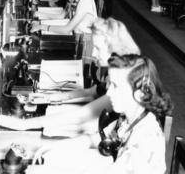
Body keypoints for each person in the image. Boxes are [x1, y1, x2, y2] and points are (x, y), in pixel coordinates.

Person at [30, 54, 172, 174]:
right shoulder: (128, 118)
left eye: (116, 86)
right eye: (110, 85)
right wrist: (56, 146)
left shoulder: (145, 141)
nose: (109, 93)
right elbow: (98, 139)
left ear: (141, 93)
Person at [0, 17, 140, 134]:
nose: (93, 54)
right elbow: (90, 92)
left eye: (97, 48)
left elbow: (81, 115)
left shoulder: (122, 79)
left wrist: (24, 125)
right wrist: (47, 98)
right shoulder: (114, 70)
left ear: (112, 47)